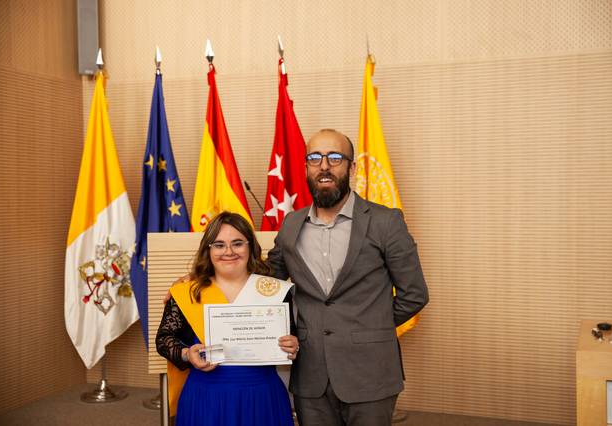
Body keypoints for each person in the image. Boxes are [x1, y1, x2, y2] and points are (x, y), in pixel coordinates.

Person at [267, 128, 429, 426]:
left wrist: (369, 326)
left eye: (335, 157)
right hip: (310, 376)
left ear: (351, 167)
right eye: (315, 158)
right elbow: (266, 282)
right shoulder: (291, 224)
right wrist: (197, 280)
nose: (324, 166)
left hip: (370, 372)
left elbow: (415, 294)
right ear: (306, 167)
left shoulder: (385, 222)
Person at [156, 212, 299, 426]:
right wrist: (187, 354)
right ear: (209, 249)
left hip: (261, 396)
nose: (229, 252)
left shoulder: (274, 290)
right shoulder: (187, 292)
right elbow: (164, 339)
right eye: (219, 245)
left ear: (250, 246)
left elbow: (291, 337)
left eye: (237, 243)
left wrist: (293, 345)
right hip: (206, 396)